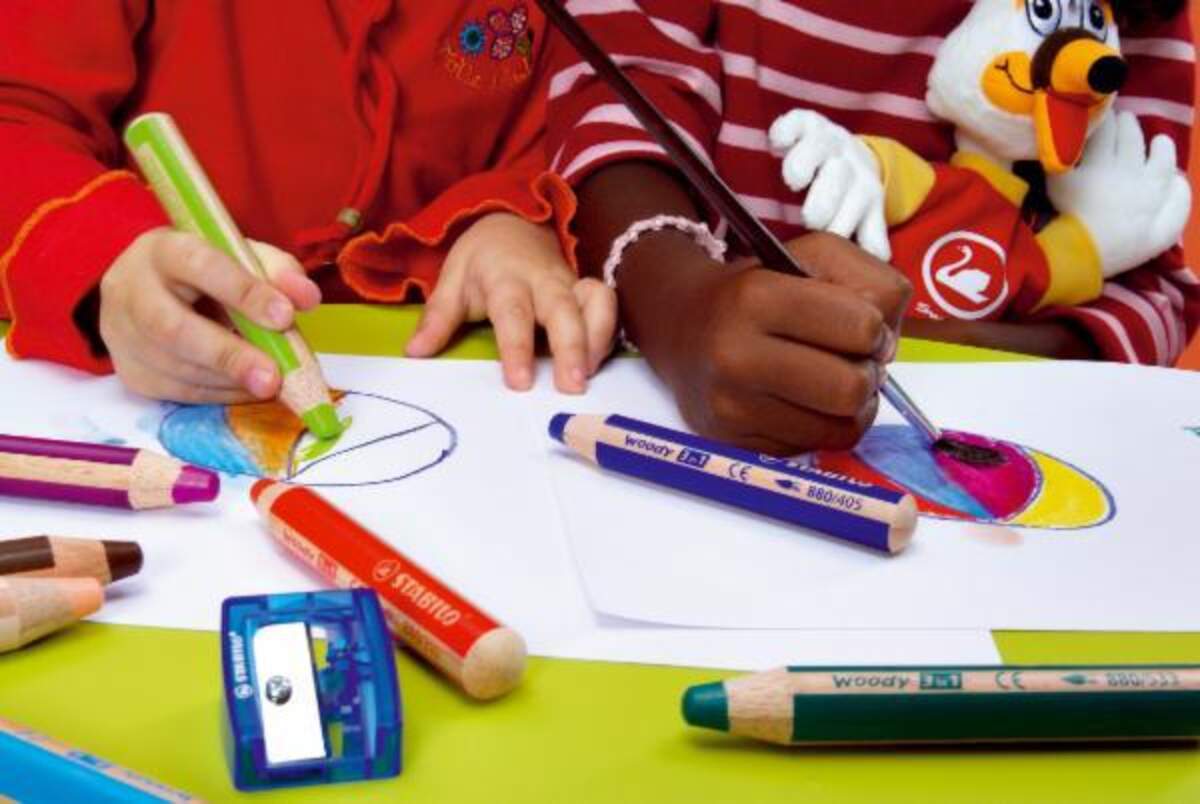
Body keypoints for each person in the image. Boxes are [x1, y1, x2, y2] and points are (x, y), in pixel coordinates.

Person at [548, 0, 1197, 455]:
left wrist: (949, 352)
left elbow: (1149, 279)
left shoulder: (1135, 28)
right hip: (668, 406)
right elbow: (610, 103)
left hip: (1006, 466)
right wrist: (681, 308)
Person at [0, 2, 616, 404]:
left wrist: (510, 218)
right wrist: (112, 258)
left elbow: (589, 110)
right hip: (156, 365)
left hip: (453, 378)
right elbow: (17, 120)